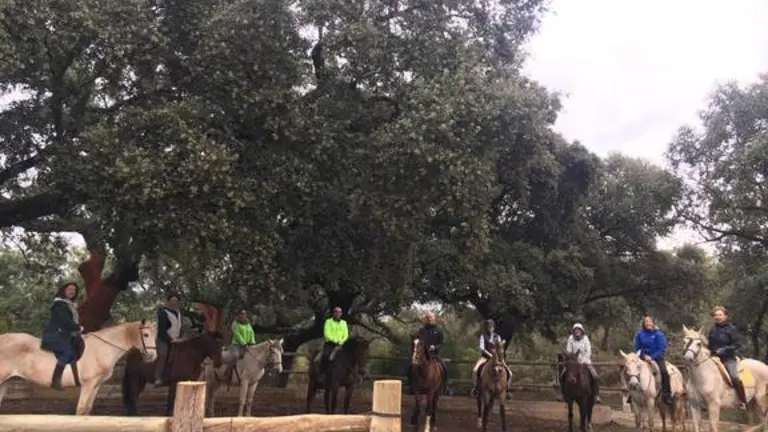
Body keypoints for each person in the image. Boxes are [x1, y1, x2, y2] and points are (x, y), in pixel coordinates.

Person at [41, 282, 83, 390]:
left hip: (64, 335)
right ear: (64, 290)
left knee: (76, 351)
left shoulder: (71, 305)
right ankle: (55, 380)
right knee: (68, 351)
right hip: (54, 335)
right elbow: (65, 321)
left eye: (74, 290)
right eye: (69, 289)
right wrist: (78, 327)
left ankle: (76, 380)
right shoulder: (59, 304)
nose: (72, 291)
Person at [708, 306, 747, 410]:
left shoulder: (731, 329)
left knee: (734, 377)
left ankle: (742, 400)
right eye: (716, 315)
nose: (717, 317)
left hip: (728, 358)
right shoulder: (712, 329)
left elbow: (737, 344)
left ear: (725, 316)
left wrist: (724, 349)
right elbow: (710, 345)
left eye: (720, 315)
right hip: (714, 358)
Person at [634, 316, 673, 405]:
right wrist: (643, 356)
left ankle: (667, 394)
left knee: (664, 372)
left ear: (653, 323)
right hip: (643, 357)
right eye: (646, 321)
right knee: (631, 369)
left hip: (657, 357)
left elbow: (661, 348)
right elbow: (637, 347)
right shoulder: (640, 334)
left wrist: (651, 357)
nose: (648, 323)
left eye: (649, 321)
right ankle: (631, 393)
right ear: (644, 324)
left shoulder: (659, 334)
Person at [471, 319, 513, 397]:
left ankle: (507, 389)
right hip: (485, 358)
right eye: (489, 327)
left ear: (494, 328)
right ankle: (475, 388)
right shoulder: (483, 336)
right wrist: (490, 355)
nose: (490, 328)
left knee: (510, 372)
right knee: (475, 370)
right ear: (486, 328)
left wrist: (498, 355)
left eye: (492, 327)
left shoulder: (497, 336)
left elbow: (499, 347)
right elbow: (482, 348)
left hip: (496, 359)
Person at [563, 323, 602, 404]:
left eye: (578, 330)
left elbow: (588, 351)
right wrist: (572, 358)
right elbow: (569, 350)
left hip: (585, 361)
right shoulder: (570, 338)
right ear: (573, 331)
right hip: (573, 361)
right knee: (563, 374)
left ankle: (596, 395)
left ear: (581, 331)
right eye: (575, 330)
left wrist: (583, 360)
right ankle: (563, 393)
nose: (577, 331)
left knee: (595, 376)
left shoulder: (585, 339)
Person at [154, 293, 183, 386]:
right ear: (168, 302)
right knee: (163, 355)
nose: (174, 303)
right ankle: (158, 377)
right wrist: (170, 339)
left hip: (176, 339)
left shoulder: (178, 312)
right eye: (172, 301)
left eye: (176, 301)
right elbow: (161, 331)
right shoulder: (163, 313)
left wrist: (180, 337)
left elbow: (178, 327)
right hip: (163, 339)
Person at [314, 306, 349, 372]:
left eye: (340, 312)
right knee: (326, 357)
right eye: (336, 312)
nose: (338, 314)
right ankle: (323, 372)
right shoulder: (328, 322)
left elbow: (346, 335)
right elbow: (326, 334)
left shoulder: (344, 323)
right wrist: (335, 341)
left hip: (341, 344)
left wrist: (341, 341)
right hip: (330, 344)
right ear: (333, 313)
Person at [416, 312, 447, 382]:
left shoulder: (439, 330)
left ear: (434, 318)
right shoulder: (422, 330)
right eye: (427, 317)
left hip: (434, 355)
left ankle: (445, 384)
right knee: (411, 365)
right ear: (425, 319)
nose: (429, 319)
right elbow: (418, 341)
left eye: (430, 317)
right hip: (423, 355)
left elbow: (441, 343)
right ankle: (410, 383)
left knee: (444, 367)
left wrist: (435, 347)